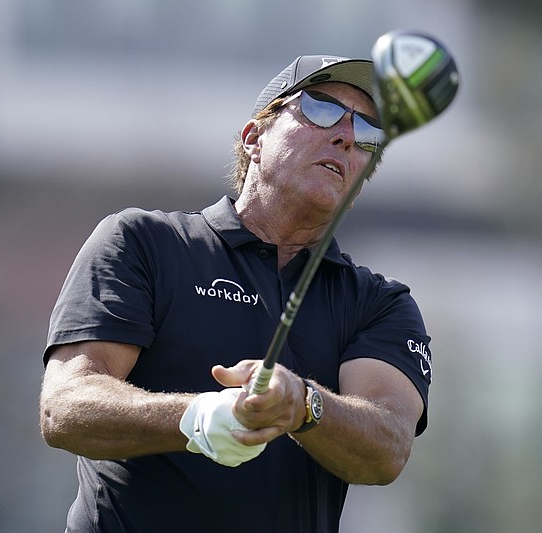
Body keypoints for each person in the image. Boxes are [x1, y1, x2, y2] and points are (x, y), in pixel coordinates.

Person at [39, 54, 433, 533]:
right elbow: (64, 406)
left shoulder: (379, 303)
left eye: (368, 132)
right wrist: (197, 418)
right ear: (254, 139)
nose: (347, 135)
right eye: (322, 109)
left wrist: (304, 405)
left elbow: (387, 447)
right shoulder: (143, 242)